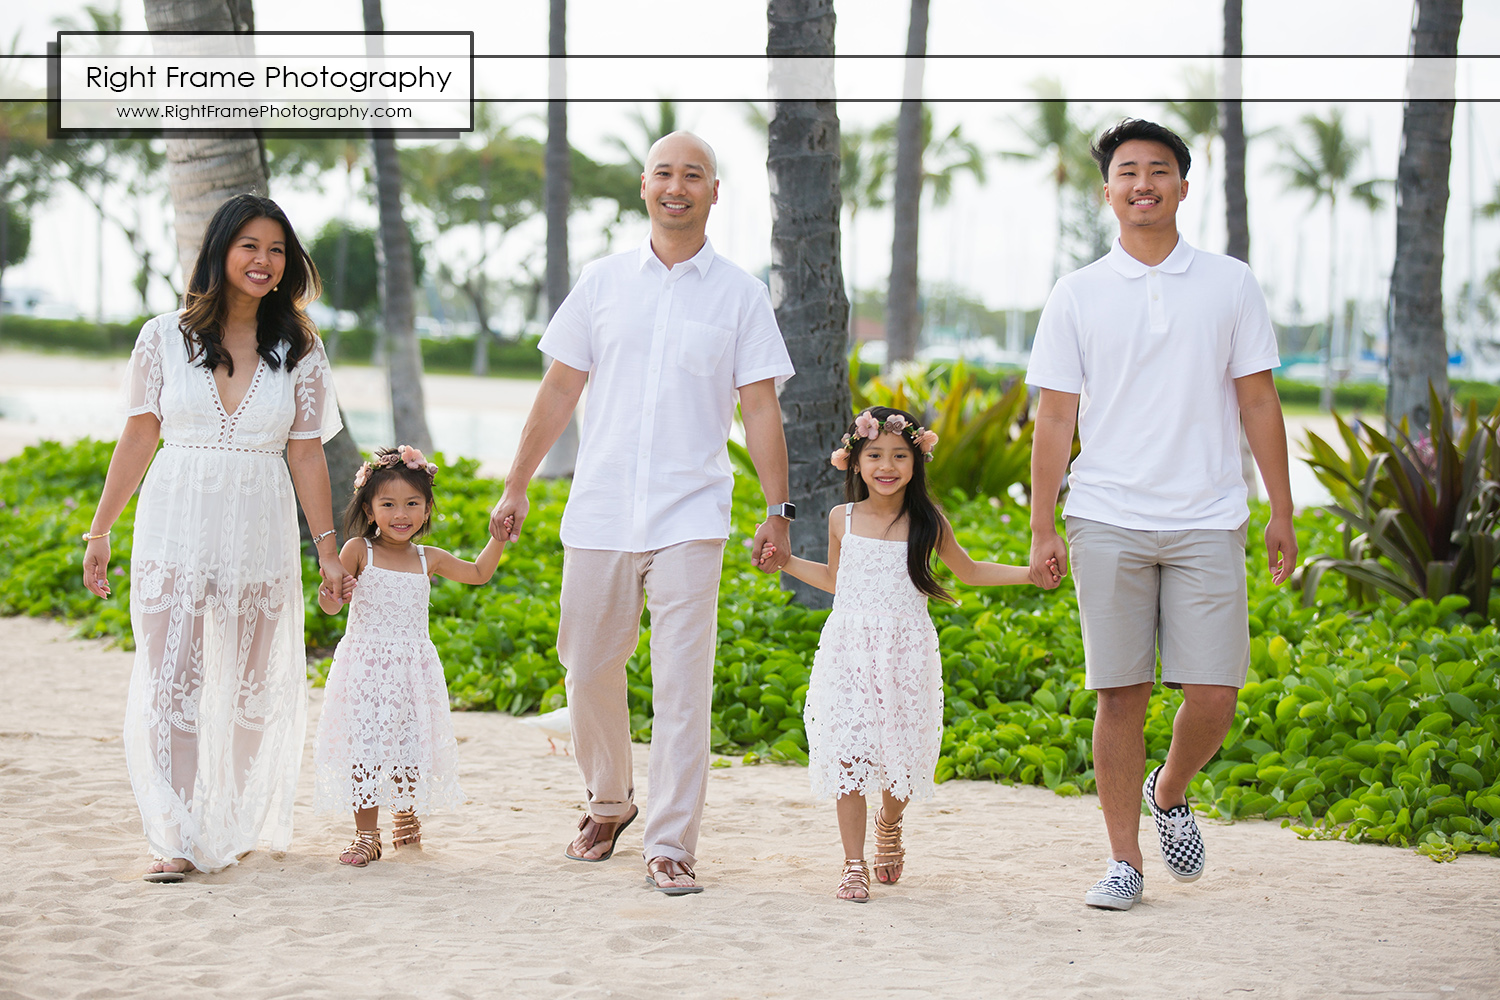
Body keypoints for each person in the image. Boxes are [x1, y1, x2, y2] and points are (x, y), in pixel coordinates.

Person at [488, 131, 795, 895]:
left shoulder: (740, 295)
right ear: (643, 186)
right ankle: (610, 799)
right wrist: (517, 482)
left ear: (715, 193)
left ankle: (671, 843)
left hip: (692, 510)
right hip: (599, 508)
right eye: (665, 173)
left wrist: (778, 509)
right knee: (586, 664)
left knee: (683, 681)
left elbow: (759, 408)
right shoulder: (601, 283)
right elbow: (560, 390)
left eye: (694, 175)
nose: (677, 187)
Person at [1025, 118, 1297, 911]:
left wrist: (1281, 509)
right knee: (1123, 694)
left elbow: (1258, 398)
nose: (1143, 183)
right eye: (1127, 171)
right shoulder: (1075, 294)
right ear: (1107, 190)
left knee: (1214, 693)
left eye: (1158, 170)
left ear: (1183, 184)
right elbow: (1053, 419)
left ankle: (1170, 788)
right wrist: (1045, 525)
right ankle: (1124, 863)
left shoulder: (1229, 283)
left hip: (1209, 514)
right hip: (1106, 511)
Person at [82, 193, 350, 882]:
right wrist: (101, 529)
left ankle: (223, 819)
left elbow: (307, 452)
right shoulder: (162, 336)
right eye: (250, 246)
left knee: (253, 687)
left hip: (259, 525)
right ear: (221, 250)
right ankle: (173, 833)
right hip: (176, 523)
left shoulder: (301, 348)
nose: (264, 261)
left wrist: (325, 547)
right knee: (172, 676)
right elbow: (140, 434)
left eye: (278, 250)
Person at [762, 406, 1057, 901]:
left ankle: (889, 821)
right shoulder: (842, 518)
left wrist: (1028, 574)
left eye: (900, 455)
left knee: (900, 762)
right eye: (875, 454)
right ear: (854, 462)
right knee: (852, 754)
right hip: (849, 652)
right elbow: (838, 582)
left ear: (917, 462)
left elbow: (969, 571)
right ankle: (853, 863)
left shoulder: (927, 520)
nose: (887, 465)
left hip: (905, 653)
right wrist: (787, 562)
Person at [313, 445, 504, 866]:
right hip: (364, 668)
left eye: (412, 504)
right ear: (369, 508)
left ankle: (406, 819)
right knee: (366, 749)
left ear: (427, 507)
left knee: (408, 747)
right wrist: (330, 593)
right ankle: (366, 834)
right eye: (389, 504)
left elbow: (477, 573)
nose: (401, 514)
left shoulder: (427, 559)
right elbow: (333, 605)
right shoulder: (358, 550)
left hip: (412, 671)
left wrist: (498, 538)